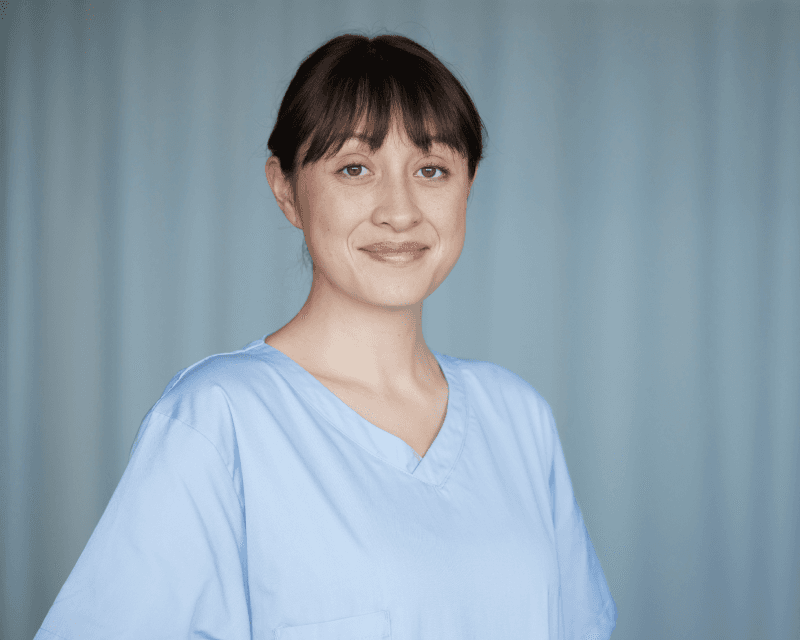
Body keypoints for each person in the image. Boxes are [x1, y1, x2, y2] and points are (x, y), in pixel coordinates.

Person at [34, 33, 617, 639]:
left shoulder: (518, 420)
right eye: (355, 168)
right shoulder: (217, 421)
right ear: (286, 189)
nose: (400, 210)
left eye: (432, 169)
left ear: (467, 186)